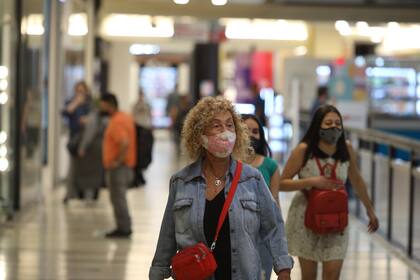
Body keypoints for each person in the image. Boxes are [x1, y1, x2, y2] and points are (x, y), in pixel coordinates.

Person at [149, 96, 293, 280]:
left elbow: (273, 227)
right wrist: (158, 271)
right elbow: (167, 235)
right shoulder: (182, 182)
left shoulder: (252, 179)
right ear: (199, 135)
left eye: (230, 125)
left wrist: (283, 270)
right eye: (216, 126)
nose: (225, 132)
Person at [279, 105, 379, 280]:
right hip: (306, 218)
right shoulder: (304, 150)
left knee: (332, 274)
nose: (334, 127)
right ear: (318, 125)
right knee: (308, 276)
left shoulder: (346, 148)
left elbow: (356, 179)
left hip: (336, 219)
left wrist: (370, 209)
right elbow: (281, 184)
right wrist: (311, 181)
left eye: (337, 123)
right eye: (328, 123)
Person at [242, 114, 281, 280]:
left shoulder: (270, 166)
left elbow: (274, 204)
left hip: (261, 236)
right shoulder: (227, 164)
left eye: (255, 131)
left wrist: (279, 245)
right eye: (245, 131)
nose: (251, 135)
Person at [100, 93, 136, 238]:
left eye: (102, 104)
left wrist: (117, 161)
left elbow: (124, 142)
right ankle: (123, 226)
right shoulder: (125, 117)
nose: (100, 108)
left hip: (119, 169)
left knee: (118, 199)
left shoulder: (116, 121)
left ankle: (123, 228)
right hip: (126, 167)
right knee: (119, 198)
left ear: (109, 104)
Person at [62, 81, 92, 204]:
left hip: (86, 138)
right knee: (72, 168)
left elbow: (94, 118)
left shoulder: (89, 104)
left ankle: (87, 194)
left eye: (82, 91)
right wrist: (76, 102)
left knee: (87, 167)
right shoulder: (72, 101)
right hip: (74, 138)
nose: (80, 93)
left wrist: (87, 120)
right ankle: (70, 193)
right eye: (78, 91)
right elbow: (66, 112)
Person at [132, 89, 153, 186]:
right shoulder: (135, 105)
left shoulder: (147, 105)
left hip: (145, 129)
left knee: (144, 155)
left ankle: (140, 175)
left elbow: (150, 116)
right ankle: (138, 176)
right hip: (138, 130)